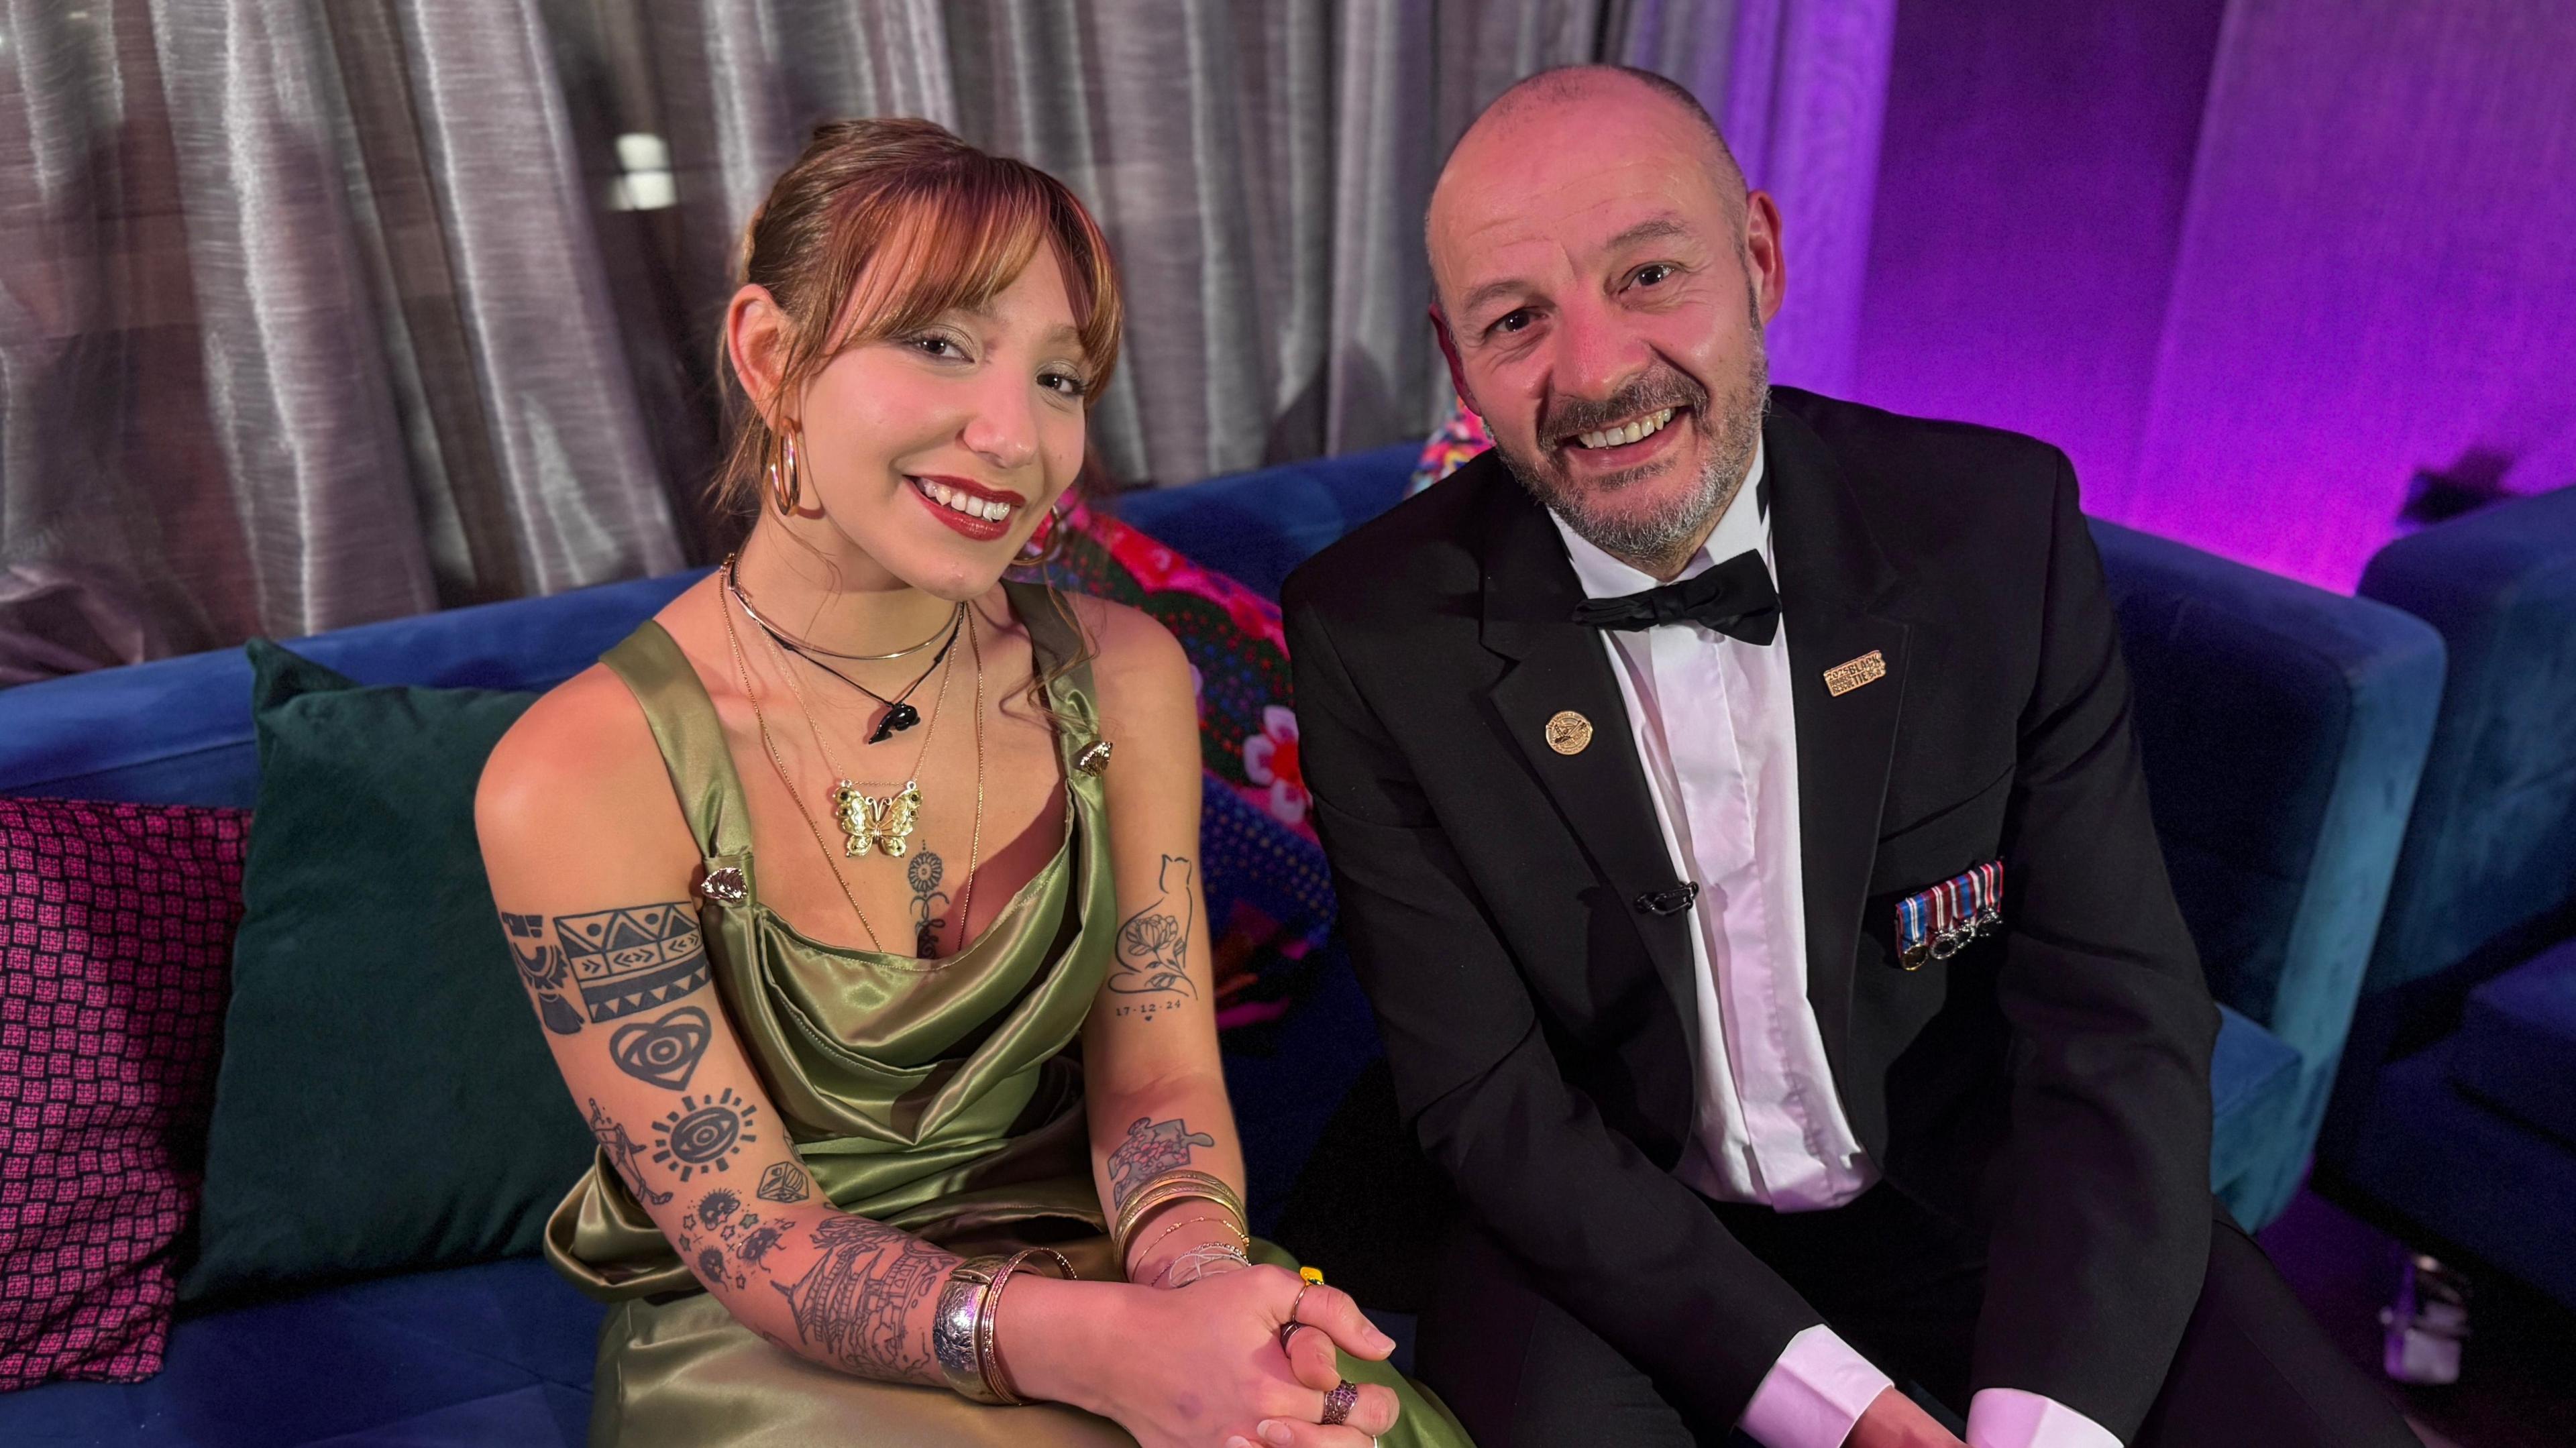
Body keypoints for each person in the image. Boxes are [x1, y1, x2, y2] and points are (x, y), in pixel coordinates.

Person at [1283, 66, 2420, 1448]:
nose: (1594, 372)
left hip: (1960, 1179)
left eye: (1648, 274)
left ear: (1758, 257)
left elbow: (2116, 1009)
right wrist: (1851, 1414)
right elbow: (1487, 1102)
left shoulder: (1995, 524)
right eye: (1518, 320)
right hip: (1600, 1232)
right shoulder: (1370, 627)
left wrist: (2040, 1432)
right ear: (1460, 363)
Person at [475, 118, 1466, 1448]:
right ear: (773, 355)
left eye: (1060, 377)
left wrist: (1198, 1287)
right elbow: (759, 1241)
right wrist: (1111, 1356)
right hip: (773, 1348)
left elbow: (1161, 1085)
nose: (1013, 435)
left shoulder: (1123, 679)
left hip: (1099, 1253)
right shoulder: (574, 772)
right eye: (939, 344)